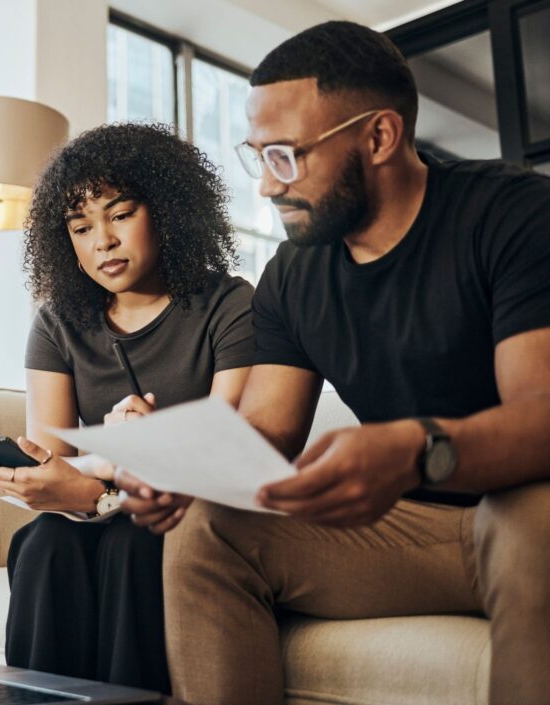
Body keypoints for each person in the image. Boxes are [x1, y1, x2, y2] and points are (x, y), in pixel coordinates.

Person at [117, 21, 550, 705]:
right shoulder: (293, 274)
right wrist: (186, 472)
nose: (264, 187)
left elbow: (540, 418)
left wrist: (413, 450)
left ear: (378, 137)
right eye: (256, 156)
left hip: (527, 506)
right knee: (206, 529)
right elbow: (265, 433)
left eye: (285, 156)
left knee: (533, 521)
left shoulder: (513, 215)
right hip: (419, 534)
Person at [0, 123, 255, 694]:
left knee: (134, 544)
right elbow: (56, 459)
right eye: (81, 227)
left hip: (189, 511)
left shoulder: (229, 305)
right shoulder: (57, 323)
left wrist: (114, 467)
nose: (101, 240)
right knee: (43, 542)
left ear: (169, 210)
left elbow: (233, 448)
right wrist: (42, 472)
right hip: (98, 507)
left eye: (120, 215)